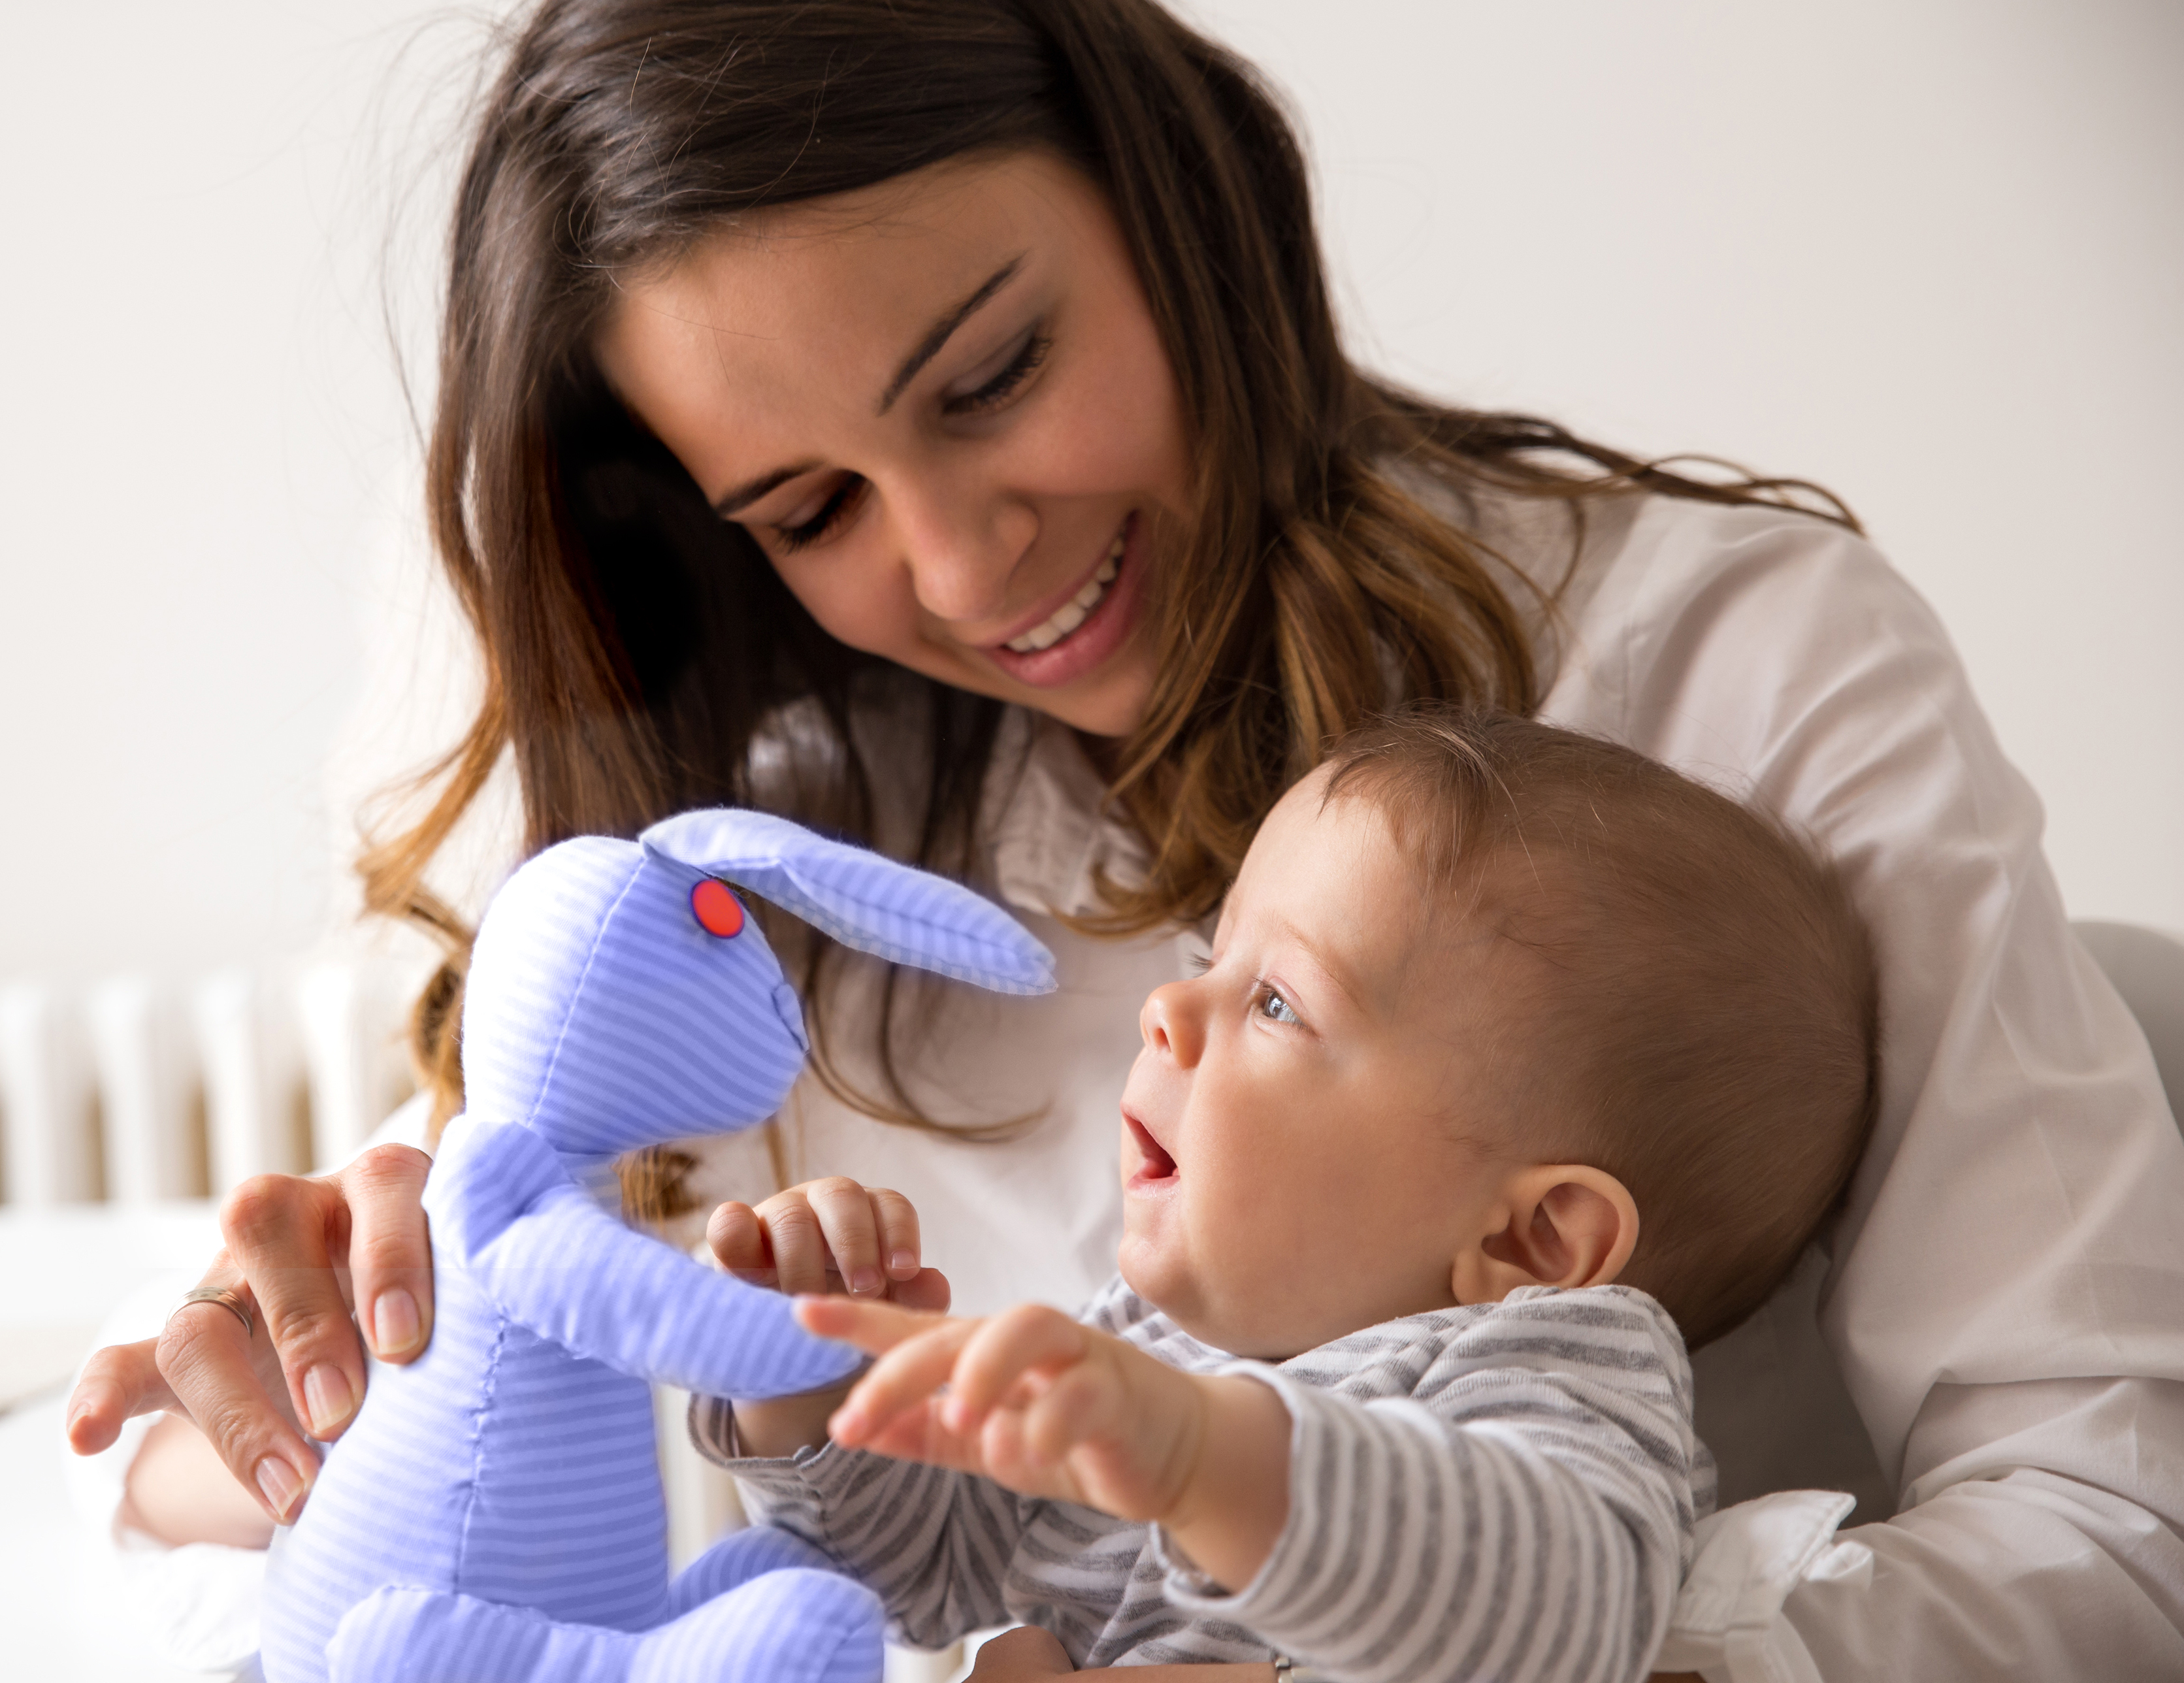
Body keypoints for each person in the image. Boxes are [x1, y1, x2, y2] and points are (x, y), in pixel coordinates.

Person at [62, 0, 2184, 1676]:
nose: (971, 572)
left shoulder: (1742, 667)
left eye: (988, 376)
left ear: (1173, 191)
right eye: (808, 507)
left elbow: (2111, 1534)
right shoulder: (766, 862)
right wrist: (333, 1392)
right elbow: (844, 1536)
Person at [691, 707, 1874, 1682]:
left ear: (1531, 1237)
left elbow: (1570, 1613)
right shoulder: (1152, 1341)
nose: (1167, 1009)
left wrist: (1213, 1461)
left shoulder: (1547, 1361)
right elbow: (927, 1580)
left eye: (1277, 1005)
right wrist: (808, 1396)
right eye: (1214, 961)